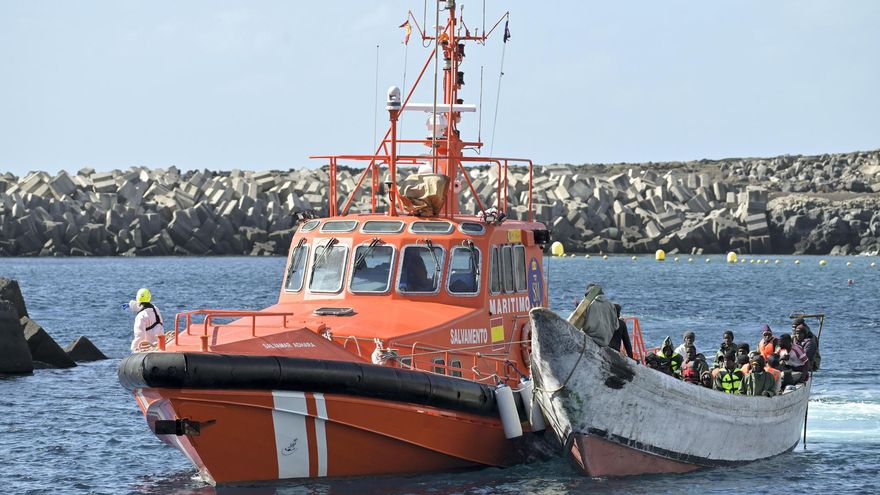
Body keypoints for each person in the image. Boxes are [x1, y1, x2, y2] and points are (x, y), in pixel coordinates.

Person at [129, 288, 164, 352]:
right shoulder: (156, 309)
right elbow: (140, 307)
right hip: (160, 345)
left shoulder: (140, 316)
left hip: (148, 348)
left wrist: (133, 348)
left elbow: (140, 336)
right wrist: (130, 304)